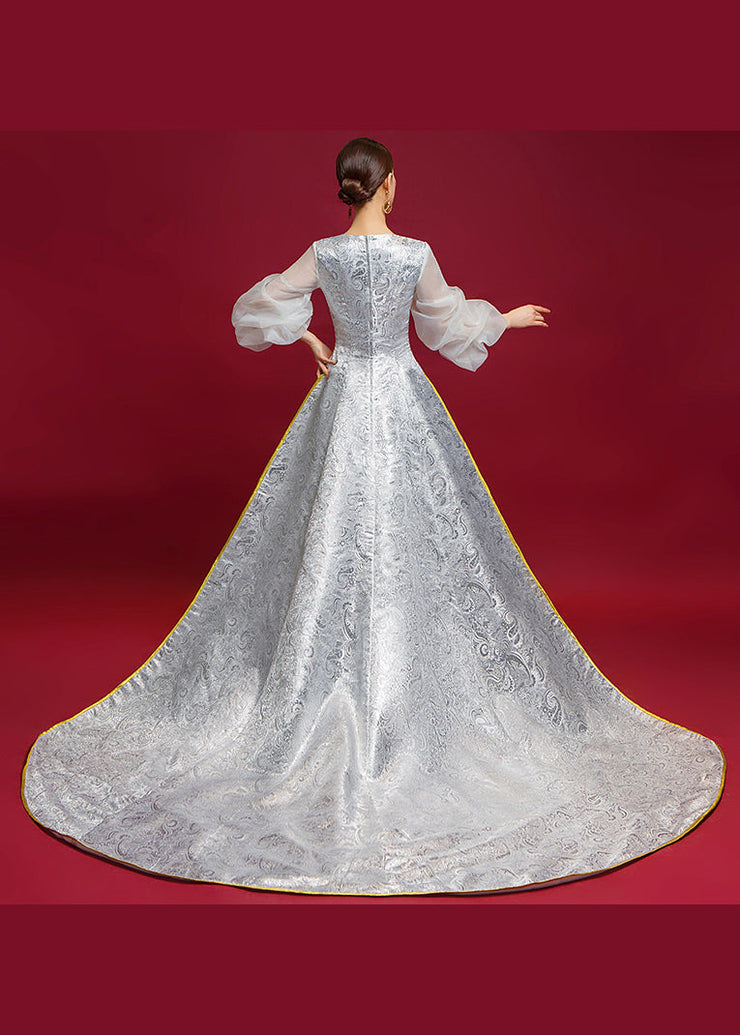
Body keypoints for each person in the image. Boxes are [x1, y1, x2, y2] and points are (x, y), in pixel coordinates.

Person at [21, 137, 724, 896]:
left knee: (328, 535)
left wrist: (311, 337)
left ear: (348, 188)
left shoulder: (324, 253)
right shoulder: (413, 253)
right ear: (387, 184)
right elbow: (444, 321)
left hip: (344, 398)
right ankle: (405, 701)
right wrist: (507, 319)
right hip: (398, 397)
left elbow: (258, 306)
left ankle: (326, 692)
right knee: (425, 544)